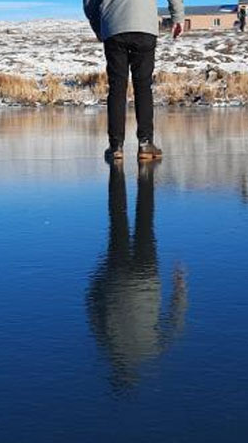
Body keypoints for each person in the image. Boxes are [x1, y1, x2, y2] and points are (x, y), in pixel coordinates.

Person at [83, 0, 184, 162]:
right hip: (145, 30)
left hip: (114, 32)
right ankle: (145, 145)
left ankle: (116, 147)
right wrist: (177, 17)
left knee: (117, 88)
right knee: (142, 86)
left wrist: (100, 28)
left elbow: (89, 2)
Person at [86, 160, 187, 392]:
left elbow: (175, 322)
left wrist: (180, 288)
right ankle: (140, 181)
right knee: (125, 224)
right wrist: (98, 279)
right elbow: (92, 306)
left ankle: (130, 184)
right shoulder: (111, 345)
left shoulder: (142, 350)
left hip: (143, 279)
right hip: (123, 278)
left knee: (140, 223)